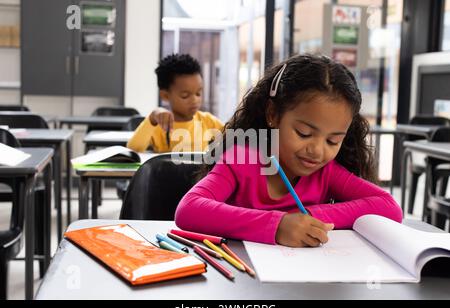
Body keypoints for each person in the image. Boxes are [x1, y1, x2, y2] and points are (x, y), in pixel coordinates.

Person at [175, 54, 402, 248]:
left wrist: (313, 217)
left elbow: (390, 208)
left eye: (333, 141)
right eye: (303, 133)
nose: (317, 150)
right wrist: (276, 225)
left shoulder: (326, 172)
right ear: (273, 114)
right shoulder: (241, 159)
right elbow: (189, 209)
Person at [127, 53, 223, 153]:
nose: (195, 100)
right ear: (165, 96)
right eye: (185, 95)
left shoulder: (208, 122)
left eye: (198, 93)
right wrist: (152, 118)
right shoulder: (159, 125)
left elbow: (235, 141)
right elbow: (132, 150)